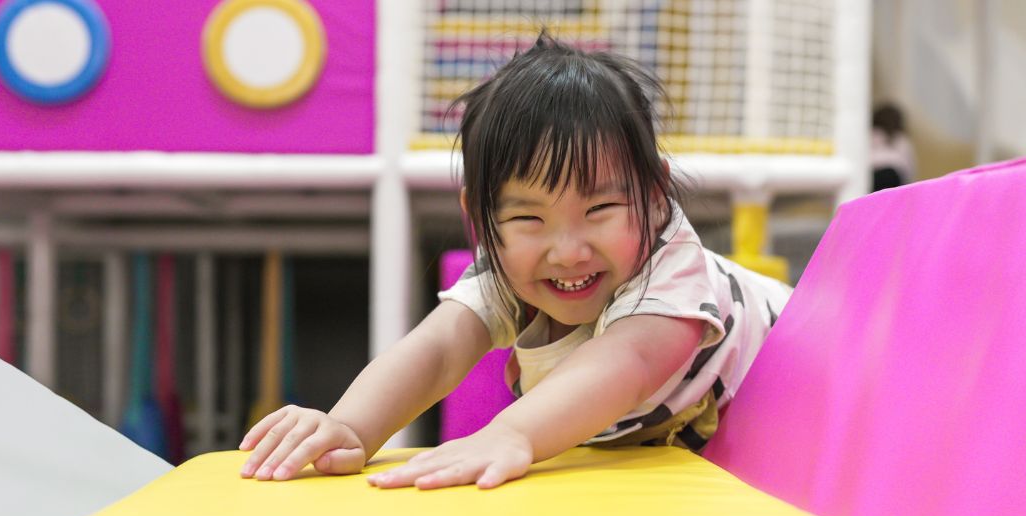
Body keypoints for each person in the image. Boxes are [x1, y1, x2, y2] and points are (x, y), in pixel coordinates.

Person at [239, 33, 792, 490]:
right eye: (530, 219)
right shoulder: (507, 269)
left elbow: (627, 364)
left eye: (598, 209)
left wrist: (512, 433)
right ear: (483, 221)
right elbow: (437, 349)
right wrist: (349, 426)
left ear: (653, 197)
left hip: (800, 379)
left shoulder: (669, 270)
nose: (568, 250)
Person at [871, 102, 916, 191]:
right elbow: (909, 171)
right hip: (895, 180)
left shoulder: (868, 136)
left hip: (873, 179)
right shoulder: (902, 140)